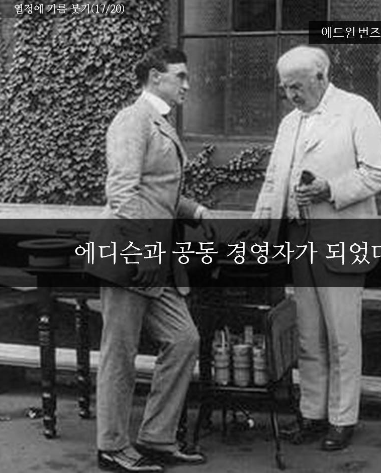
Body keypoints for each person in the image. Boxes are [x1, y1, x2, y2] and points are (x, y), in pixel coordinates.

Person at [252, 45, 381, 451]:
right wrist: (261, 228)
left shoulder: (356, 110)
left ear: (321, 77)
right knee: (308, 334)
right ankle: (312, 414)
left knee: (342, 335)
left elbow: (380, 172)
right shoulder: (289, 123)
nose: (291, 95)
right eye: (285, 88)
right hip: (299, 239)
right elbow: (274, 179)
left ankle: (342, 419)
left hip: (342, 238)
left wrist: (330, 188)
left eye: (297, 86)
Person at [87, 46, 215, 472]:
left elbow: (155, 188)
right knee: (120, 353)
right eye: (180, 76)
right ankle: (111, 448)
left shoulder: (159, 122)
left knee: (183, 340)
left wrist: (193, 209)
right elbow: (122, 192)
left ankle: (157, 437)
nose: (187, 85)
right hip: (130, 253)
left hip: (153, 256)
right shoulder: (133, 120)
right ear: (155, 78)